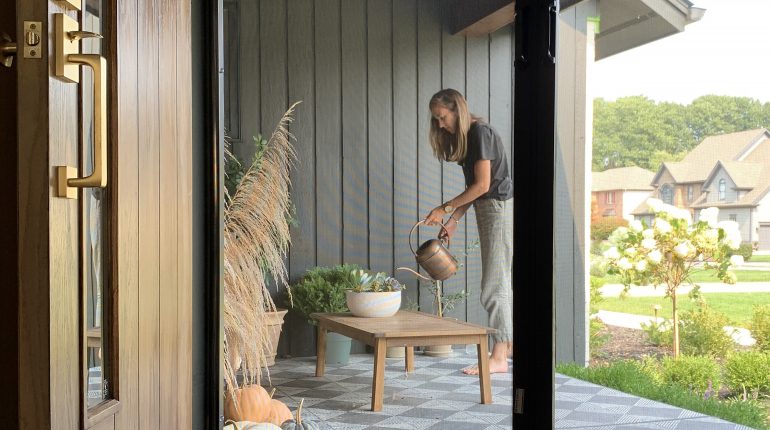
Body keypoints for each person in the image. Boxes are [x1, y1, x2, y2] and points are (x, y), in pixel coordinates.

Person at [423, 88, 513, 375]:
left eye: (442, 117)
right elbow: (473, 191)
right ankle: (502, 348)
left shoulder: (480, 133)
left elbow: (483, 185)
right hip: (487, 210)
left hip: (496, 209)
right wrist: (454, 220)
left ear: (457, 110)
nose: (439, 124)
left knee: (494, 285)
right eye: (436, 119)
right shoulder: (471, 137)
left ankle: (499, 356)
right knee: (496, 282)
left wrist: (444, 209)